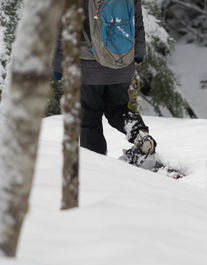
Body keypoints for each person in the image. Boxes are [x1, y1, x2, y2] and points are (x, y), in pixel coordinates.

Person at [52, 0, 156, 166]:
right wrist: (138, 53)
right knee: (118, 109)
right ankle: (139, 134)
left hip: (88, 68)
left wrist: (57, 67)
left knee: (89, 118)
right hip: (122, 62)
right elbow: (137, 21)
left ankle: (95, 166)